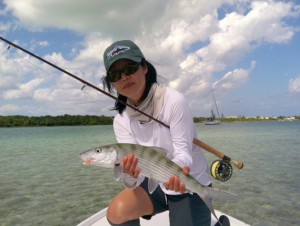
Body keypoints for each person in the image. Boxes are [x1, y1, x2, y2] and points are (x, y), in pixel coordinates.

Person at [102, 40, 212, 226]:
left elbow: (183, 154)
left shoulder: (174, 101)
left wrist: (177, 176)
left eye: (130, 68)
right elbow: (135, 182)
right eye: (115, 74)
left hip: (188, 183)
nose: (124, 77)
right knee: (116, 213)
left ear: (144, 68)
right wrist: (129, 175)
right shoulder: (121, 120)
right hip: (155, 183)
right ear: (111, 82)